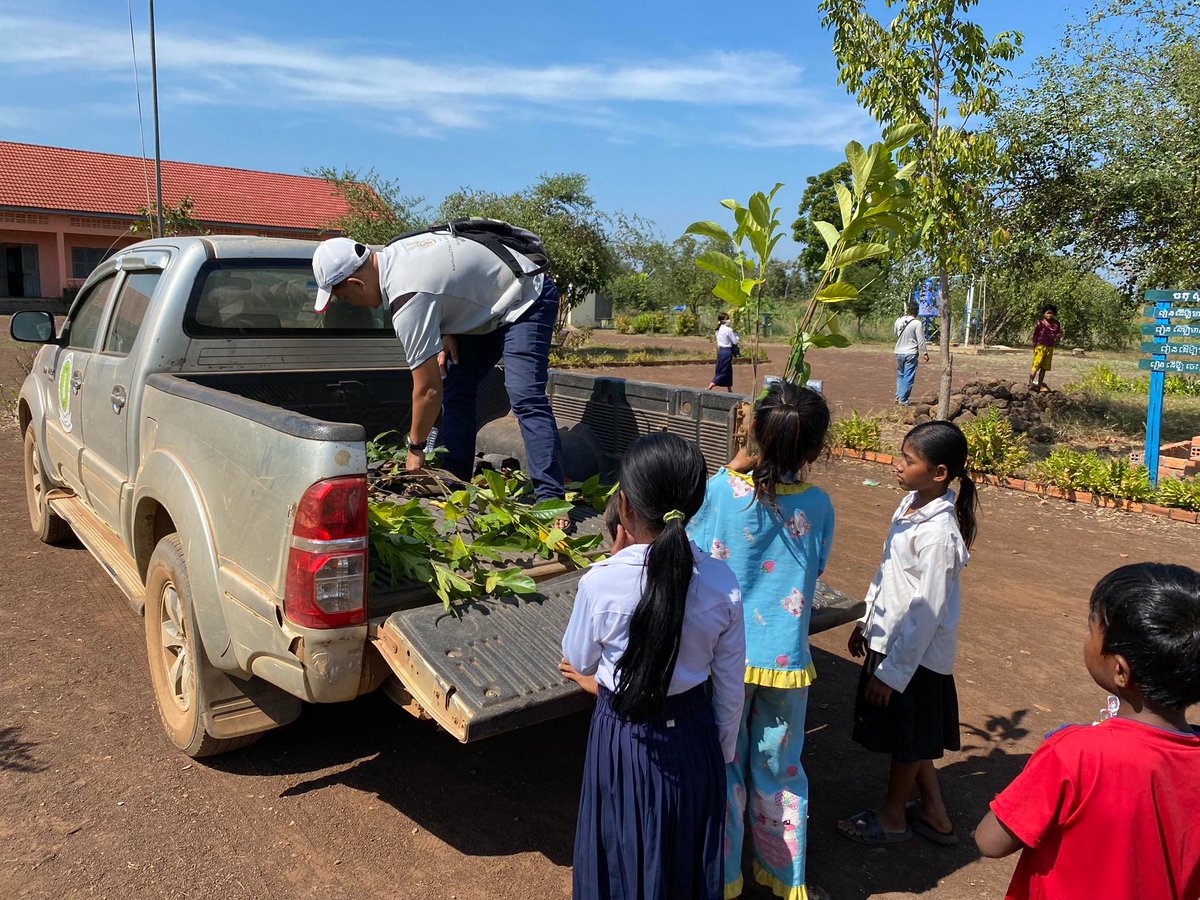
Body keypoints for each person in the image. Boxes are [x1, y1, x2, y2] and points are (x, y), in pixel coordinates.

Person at [560, 432, 746, 900]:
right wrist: (717, 756)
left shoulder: (601, 583)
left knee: (621, 850)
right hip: (694, 736)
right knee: (682, 855)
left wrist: (595, 683)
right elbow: (729, 689)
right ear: (695, 506)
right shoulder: (723, 583)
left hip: (623, 736)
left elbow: (579, 659)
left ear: (624, 507)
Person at [686, 381, 834, 900]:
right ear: (814, 450)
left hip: (725, 661)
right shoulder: (819, 506)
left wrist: (737, 462)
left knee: (725, 767)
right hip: (787, 664)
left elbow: (693, 553)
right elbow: (817, 565)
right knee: (780, 770)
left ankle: (725, 878)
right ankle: (784, 876)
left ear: (751, 437)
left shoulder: (718, 492)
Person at [976, 563, 1200, 900]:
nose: (1087, 638)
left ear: (1120, 670)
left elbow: (989, 841)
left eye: (1091, 629)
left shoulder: (1074, 752)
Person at [310, 234, 566, 506]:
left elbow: (429, 389)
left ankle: (551, 499)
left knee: (525, 395)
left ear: (356, 283)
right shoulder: (393, 254)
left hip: (526, 300)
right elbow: (449, 284)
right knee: (458, 387)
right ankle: (455, 478)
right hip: (490, 306)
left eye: (347, 298)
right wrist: (447, 329)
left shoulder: (407, 299)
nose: (352, 305)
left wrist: (415, 448)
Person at [839, 420, 977, 845]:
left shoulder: (939, 534)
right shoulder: (911, 504)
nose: (898, 465)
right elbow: (889, 572)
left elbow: (926, 610)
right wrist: (868, 619)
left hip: (913, 657)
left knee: (906, 741)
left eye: (908, 460)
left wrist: (892, 673)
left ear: (939, 473)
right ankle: (934, 811)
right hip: (890, 639)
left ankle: (894, 815)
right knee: (911, 735)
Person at [894, 301, 929, 405]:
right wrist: (925, 352)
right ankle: (903, 400)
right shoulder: (917, 323)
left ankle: (898, 396)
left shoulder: (898, 321)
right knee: (908, 376)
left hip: (899, 351)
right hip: (911, 353)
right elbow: (920, 340)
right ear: (917, 311)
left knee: (901, 375)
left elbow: (895, 333)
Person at [1029, 304, 1063, 393]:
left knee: (1044, 367)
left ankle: (1039, 384)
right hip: (1040, 347)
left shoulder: (1056, 324)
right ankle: (1030, 383)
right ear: (1044, 314)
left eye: (1051, 313)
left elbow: (1059, 333)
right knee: (1035, 366)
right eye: (1048, 313)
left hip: (1050, 347)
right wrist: (1035, 345)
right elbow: (1035, 335)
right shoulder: (1041, 324)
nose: (1049, 315)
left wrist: (1058, 336)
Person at [707, 312, 740, 392]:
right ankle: (710, 386)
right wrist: (736, 335)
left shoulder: (718, 330)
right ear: (724, 320)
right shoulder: (728, 330)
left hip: (721, 351)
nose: (729, 320)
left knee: (728, 370)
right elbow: (735, 342)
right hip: (727, 351)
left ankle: (729, 389)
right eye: (727, 318)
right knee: (723, 370)